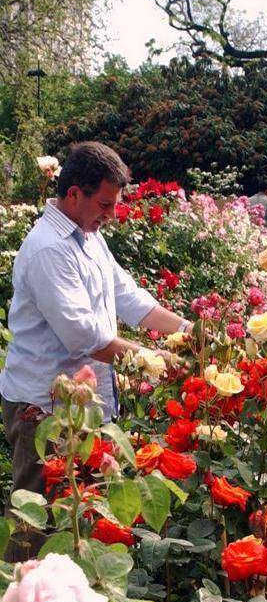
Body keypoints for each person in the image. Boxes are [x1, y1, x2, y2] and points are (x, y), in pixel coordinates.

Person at [0, 141, 191, 507]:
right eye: (105, 205)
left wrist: (187, 330)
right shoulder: (49, 249)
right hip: (44, 410)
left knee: (79, 514)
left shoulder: (88, 236)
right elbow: (85, 337)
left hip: (80, 405)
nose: (111, 215)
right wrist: (154, 362)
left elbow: (129, 297)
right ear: (74, 194)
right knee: (36, 519)